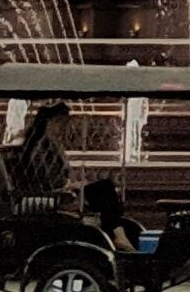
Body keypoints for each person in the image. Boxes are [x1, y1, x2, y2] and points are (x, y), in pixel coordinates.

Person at [8, 102, 141, 251]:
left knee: (106, 191)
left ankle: (118, 233)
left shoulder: (51, 144)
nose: (62, 129)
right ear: (48, 122)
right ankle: (119, 235)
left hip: (62, 191)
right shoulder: (41, 147)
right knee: (106, 189)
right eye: (60, 123)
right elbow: (46, 179)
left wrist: (76, 182)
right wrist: (71, 185)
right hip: (54, 196)